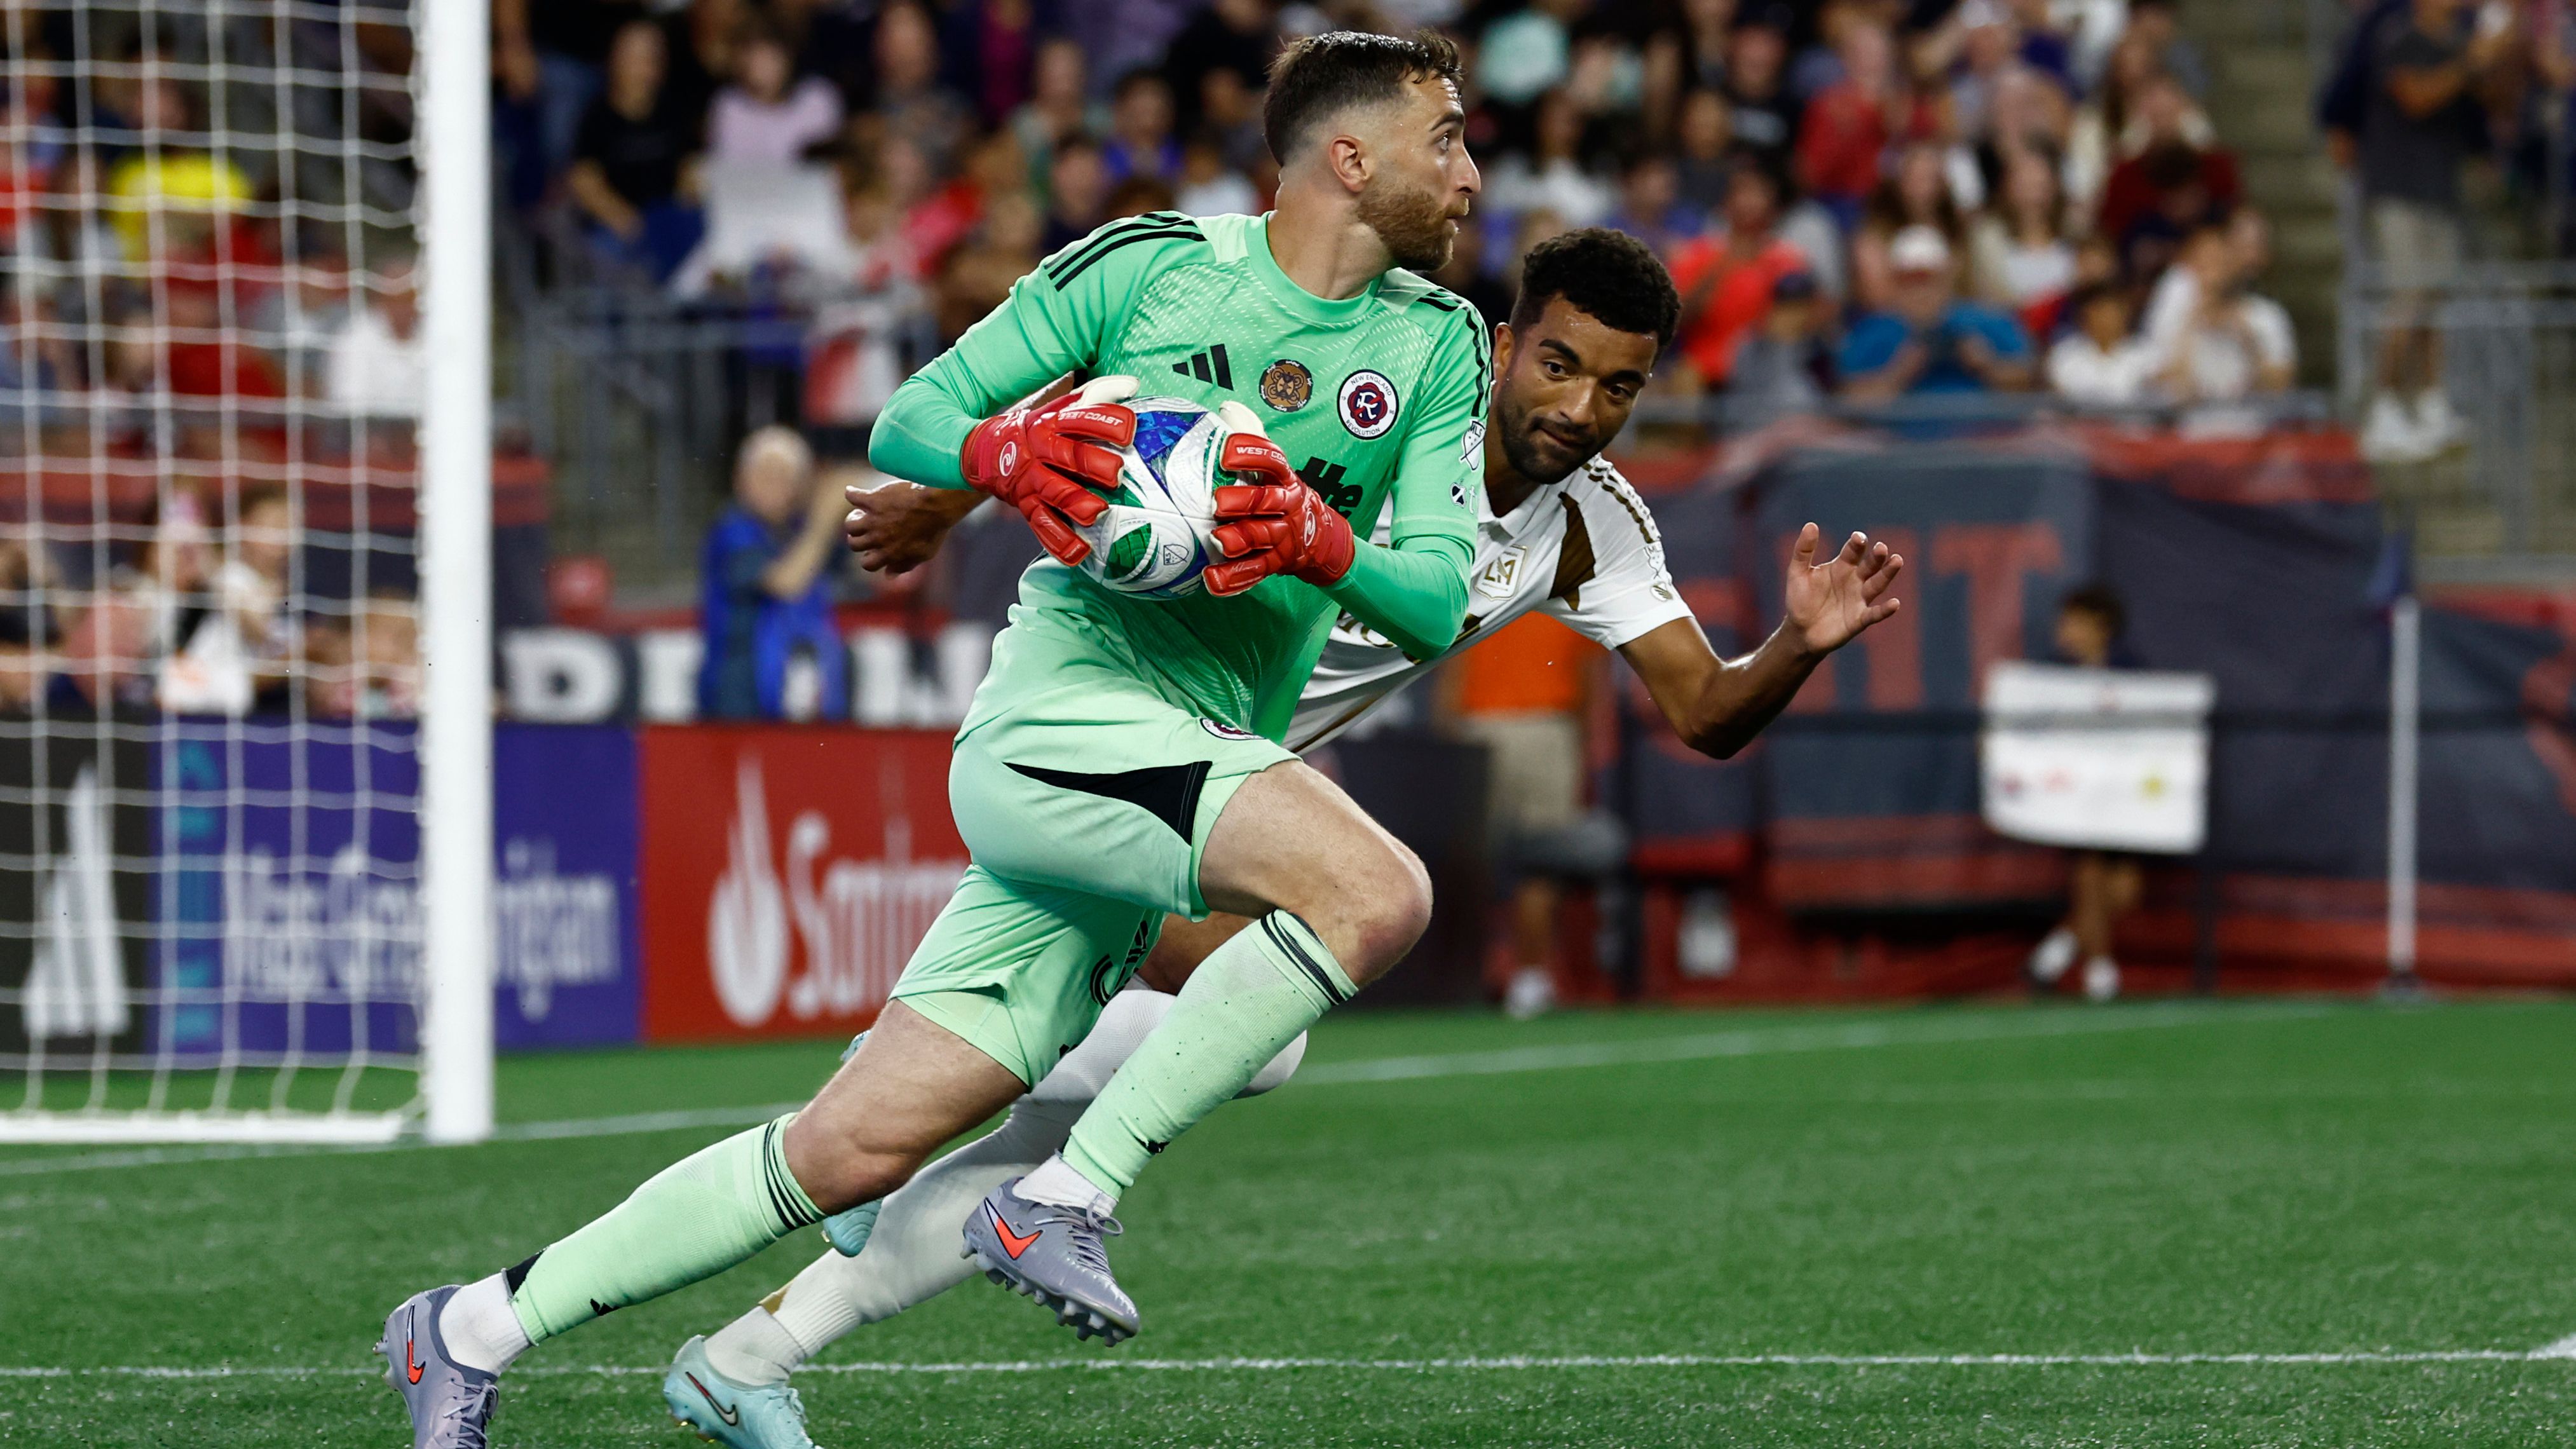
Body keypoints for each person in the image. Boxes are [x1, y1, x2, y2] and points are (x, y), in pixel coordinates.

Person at [377, 33, 1494, 1445]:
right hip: (1063, 721)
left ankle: (469, 1328)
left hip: (1164, 782)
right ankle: (1070, 1193)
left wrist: (1321, 539)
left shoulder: (1437, 344)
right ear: (1352, 157)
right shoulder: (1147, 267)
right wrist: (1004, 456)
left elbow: (1439, 597)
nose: (1467, 170)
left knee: (848, 1151)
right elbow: (914, 418)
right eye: (1445, 137)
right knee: (1378, 893)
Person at [667, 228, 1904, 1447]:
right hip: (1131, 725)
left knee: (1144, 1095)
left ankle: (764, 1340)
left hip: (1236, 779)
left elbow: (1703, 709)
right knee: (1220, 1042)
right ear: (1503, 341)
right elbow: (1150, 420)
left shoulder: (1587, 526)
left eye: (1620, 385)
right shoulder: (1389, 384)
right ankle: (909, 1113)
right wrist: (946, 498)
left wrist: (1795, 642)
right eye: (1560, 364)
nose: (1583, 407)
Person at [2354, 0, 2510, 462]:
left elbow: (2492, 102)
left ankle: (2428, 403)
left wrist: (2495, 56)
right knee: (2408, 296)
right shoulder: (2398, 37)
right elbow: (2415, 97)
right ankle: (2381, 408)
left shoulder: (2459, 43)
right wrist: (2468, 64)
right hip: (2398, 190)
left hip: (2440, 190)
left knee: (2435, 300)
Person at [2026, 583, 2141, 1002]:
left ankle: (2051, 956)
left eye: (2074, 621)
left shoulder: (2132, 672)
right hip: (2074, 800)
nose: (2065, 630)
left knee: (2124, 892)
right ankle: (2100, 972)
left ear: (2100, 625)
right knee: (2089, 874)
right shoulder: (2050, 679)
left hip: (2123, 799)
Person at [694, 427, 850, 721]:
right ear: (740, 479)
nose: (773, 485)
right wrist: (826, 515)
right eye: (763, 474)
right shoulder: (733, 531)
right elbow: (784, 582)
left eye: (784, 476)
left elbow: (868, 573)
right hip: (741, 704)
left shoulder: (797, 533)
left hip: (807, 694)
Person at [566, 18, 705, 282]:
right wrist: (631, 225)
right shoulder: (596, 116)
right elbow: (584, 181)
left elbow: (690, 168)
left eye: (649, 56)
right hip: (614, 226)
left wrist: (677, 212)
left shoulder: (674, 110)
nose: (641, 66)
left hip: (666, 220)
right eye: (632, 57)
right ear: (614, 60)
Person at [1837, 224, 2036, 400]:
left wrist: (1986, 364)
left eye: (1930, 278)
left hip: (1984, 435)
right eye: (1911, 279)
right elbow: (1850, 402)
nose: (1921, 289)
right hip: (1897, 439)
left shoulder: (1987, 320)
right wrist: (1901, 371)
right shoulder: (1873, 330)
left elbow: (2029, 385)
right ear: (1896, 280)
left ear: (1947, 276)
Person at [1667, 162, 1808, 391]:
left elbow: (1795, 321)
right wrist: (1723, 266)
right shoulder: (1696, 255)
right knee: (1684, 382)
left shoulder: (1788, 260)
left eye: (1759, 192)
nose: (1749, 202)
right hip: (1701, 370)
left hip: (1763, 372)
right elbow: (1676, 318)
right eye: (1742, 192)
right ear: (1726, 202)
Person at [2046, 280, 2158, 404]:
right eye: (2097, 311)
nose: (2104, 318)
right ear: (2084, 315)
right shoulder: (2064, 355)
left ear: (2125, 313)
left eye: (2110, 311)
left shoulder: (2149, 356)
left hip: (2131, 422)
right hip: (2078, 422)